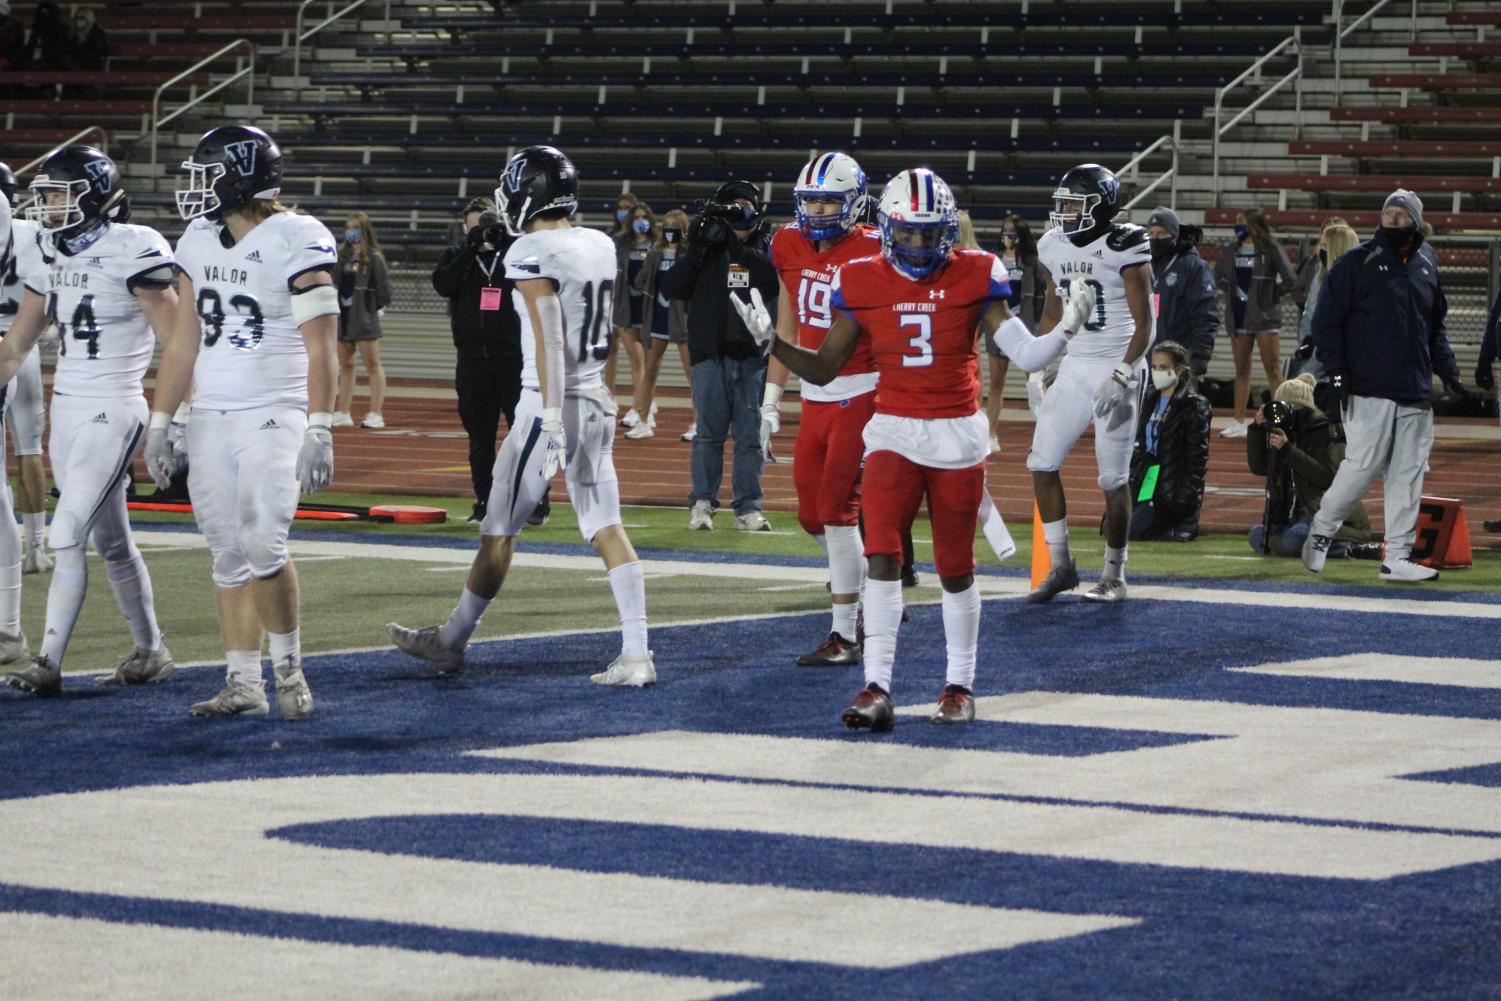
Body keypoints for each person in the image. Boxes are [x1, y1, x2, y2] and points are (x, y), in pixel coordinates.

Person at [738, 167, 1094, 731]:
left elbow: (1024, 355)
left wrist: (1064, 334)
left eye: (930, 233)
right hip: (893, 432)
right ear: (887, 228)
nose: (920, 244)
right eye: (908, 233)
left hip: (955, 435)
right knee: (881, 554)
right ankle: (876, 685)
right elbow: (826, 367)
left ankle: (958, 685)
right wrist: (773, 344)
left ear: (948, 230)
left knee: (954, 567)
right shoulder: (862, 279)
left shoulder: (977, 273)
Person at [388, 145, 654, 687]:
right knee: (606, 525)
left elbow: (551, 340)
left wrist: (551, 418)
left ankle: (451, 641)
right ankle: (637, 652)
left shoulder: (532, 249)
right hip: (596, 399)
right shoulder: (601, 243)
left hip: (548, 404)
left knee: (499, 530)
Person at [141, 124, 336, 720]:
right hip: (213, 414)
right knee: (227, 550)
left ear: (241, 176)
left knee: (263, 542)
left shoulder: (297, 237)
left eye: (208, 174)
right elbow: (182, 343)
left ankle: (289, 670)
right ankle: (243, 682)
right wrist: (162, 420)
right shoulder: (199, 239)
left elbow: (324, 344)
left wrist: (321, 423)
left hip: (273, 412)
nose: (197, 189)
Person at [1, 145, 175, 698]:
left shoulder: (136, 247)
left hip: (115, 404)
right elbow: (16, 345)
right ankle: (151, 650)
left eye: (59, 193)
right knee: (114, 540)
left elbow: (178, 341)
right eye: (46, 194)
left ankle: (47, 662)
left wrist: (178, 417)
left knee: (67, 531)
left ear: (94, 194)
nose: (49, 205)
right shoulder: (48, 252)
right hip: (69, 407)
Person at [1302, 189, 1471, 582]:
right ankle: (1323, 530)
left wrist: (1449, 373)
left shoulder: (1428, 261)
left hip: (1414, 389)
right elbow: (1326, 323)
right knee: (1361, 468)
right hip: (1369, 387)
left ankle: (1396, 556)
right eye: (1388, 213)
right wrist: (1338, 373)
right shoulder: (1356, 263)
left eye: (1401, 214)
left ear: (1416, 219)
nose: (1393, 220)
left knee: (1407, 474)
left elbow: (1435, 327)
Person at [762, 152, 881, 666]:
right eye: (810, 198)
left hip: (863, 388)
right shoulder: (786, 243)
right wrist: (772, 399)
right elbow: (787, 329)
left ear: (854, 202)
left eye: (829, 199)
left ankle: (847, 634)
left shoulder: (878, 249)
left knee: (837, 509)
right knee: (811, 514)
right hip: (815, 393)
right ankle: (868, 590)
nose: (817, 209)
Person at [1026, 163, 1154, 604]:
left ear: (1102, 207)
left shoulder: (1126, 244)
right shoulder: (1051, 245)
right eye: (1062, 204)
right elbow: (1051, 309)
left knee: (1112, 477)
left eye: (1074, 204)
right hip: (1077, 363)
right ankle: (1062, 567)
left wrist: (1123, 373)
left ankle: (1115, 575)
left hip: (1119, 362)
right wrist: (1040, 366)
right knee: (1041, 462)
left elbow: (1147, 323)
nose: (1064, 213)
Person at [662, 179, 779, 532]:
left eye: (744, 206)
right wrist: (697, 245)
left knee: (749, 437)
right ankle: (702, 502)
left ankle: (747, 507)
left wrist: (731, 238)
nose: (738, 212)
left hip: (751, 356)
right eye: (732, 207)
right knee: (708, 435)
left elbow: (768, 276)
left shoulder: (768, 242)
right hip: (709, 355)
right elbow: (673, 288)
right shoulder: (708, 246)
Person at [432, 198, 526, 524]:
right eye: (474, 227)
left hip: (513, 359)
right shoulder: (455, 255)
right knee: (480, 440)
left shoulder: (513, 252)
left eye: (486, 227)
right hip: (472, 361)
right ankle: (485, 501)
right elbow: (443, 284)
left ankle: (534, 502)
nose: (480, 233)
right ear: (464, 228)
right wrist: (470, 250)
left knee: (525, 434)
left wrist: (507, 239)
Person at [1248, 374, 1373, 558]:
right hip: (1291, 517)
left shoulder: (1327, 430)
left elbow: (1328, 477)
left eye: (1287, 410)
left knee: (1295, 538)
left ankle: (1348, 548)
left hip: (1323, 515)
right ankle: (1296, 547)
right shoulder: (1283, 431)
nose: (1281, 416)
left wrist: (1288, 450)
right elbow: (1258, 467)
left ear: (1302, 409)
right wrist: (1258, 430)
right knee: (1256, 535)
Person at [0, 162, 52, 574]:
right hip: (25, 342)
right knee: (30, 449)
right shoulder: (36, 234)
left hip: (9, 346)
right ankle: (36, 546)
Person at [1214, 208, 1297, 438]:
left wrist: (1270, 296)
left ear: (1253, 224)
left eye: (1241, 221)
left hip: (1264, 318)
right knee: (1241, 370)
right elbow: (1218, 276)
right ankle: (1238, 421)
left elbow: (1290, 279)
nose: (1236, 225)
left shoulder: (1270, 249)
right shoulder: (1231, 250)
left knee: (1272, 370)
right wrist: (1231, 292)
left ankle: (1282, 418)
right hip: (1238, 317)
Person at [1128, 341, 1210, 542]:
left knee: (1131, 531)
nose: (1157, 372)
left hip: (1170, 487)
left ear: (1180, 370)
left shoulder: (1194, 406)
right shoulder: (1148, 397)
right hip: (1146, 479)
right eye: (1154, 367)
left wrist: (1183, 504)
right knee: (1112, 527)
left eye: (1163, 367)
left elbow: (1196, 462)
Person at [631, 207, 695, 442]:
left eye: (675, 227)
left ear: (683, 229)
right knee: (650, 370)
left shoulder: (689, 255)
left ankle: (697, 422)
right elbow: (640, 283)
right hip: (658, 318)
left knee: (692, 374)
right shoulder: (656, 255)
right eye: (667, 225)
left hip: (682, 320)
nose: (670, 230)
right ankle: (643, 420)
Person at [986, 213, 1044, 452]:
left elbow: (1040, 294)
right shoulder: (994, 260)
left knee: (1034, 382)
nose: (1008, 236)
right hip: (1000, 327)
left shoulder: (1032, 262)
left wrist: (1039, 326)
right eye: (1005, 231)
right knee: (996, 383)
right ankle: (990, 435)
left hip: (1025, 326)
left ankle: (1045, 432)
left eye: (1012, 232)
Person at [331, 210, 392, 429]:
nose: (351, 232)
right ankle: (343, 411)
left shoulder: (374, 257)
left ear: (364, 230)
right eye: (348, 228)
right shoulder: (342, 256)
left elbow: (384, 290)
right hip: (343, 317)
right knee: (346, 365)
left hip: (364, 317)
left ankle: (376, 413)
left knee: (372, 365)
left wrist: (373, 309)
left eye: (355, 227)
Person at [1145, 207, 1218, 378]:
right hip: (1145, 357)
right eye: (1151, 233)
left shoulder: (1193, 266)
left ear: (1174, 234)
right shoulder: (1144, 263)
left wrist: (1200, 354)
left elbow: (1205, 313)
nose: (1155, 238)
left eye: (1161, 233)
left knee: (1177, 404)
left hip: (1179, 357)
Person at [1292, 220, 1358, 389]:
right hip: (1316, 353)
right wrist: (1306, 342)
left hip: (1341, 356)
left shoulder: (1355, 279)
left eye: (1325, 245)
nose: (1321, 250)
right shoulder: (1319, 275)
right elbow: (1309, 314)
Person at [614, 201, 658, 436]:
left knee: (649, 362)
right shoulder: (621, 244)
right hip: (627, 307)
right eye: (637, 216)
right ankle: (638, 407)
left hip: (649, 308)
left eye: (645, 216)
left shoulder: (657, 244)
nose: (641, 221)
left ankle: (644, 408)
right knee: (636, 361)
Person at [603, 192, 645, 416]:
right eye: (620, 207)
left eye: (628, 208)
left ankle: (643, 398)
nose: (623, 212)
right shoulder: (611, 237)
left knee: (635, 353)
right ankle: (609, 395)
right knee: (610, 350)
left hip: (629, 302)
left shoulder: (637, 240)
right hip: (611, 298)